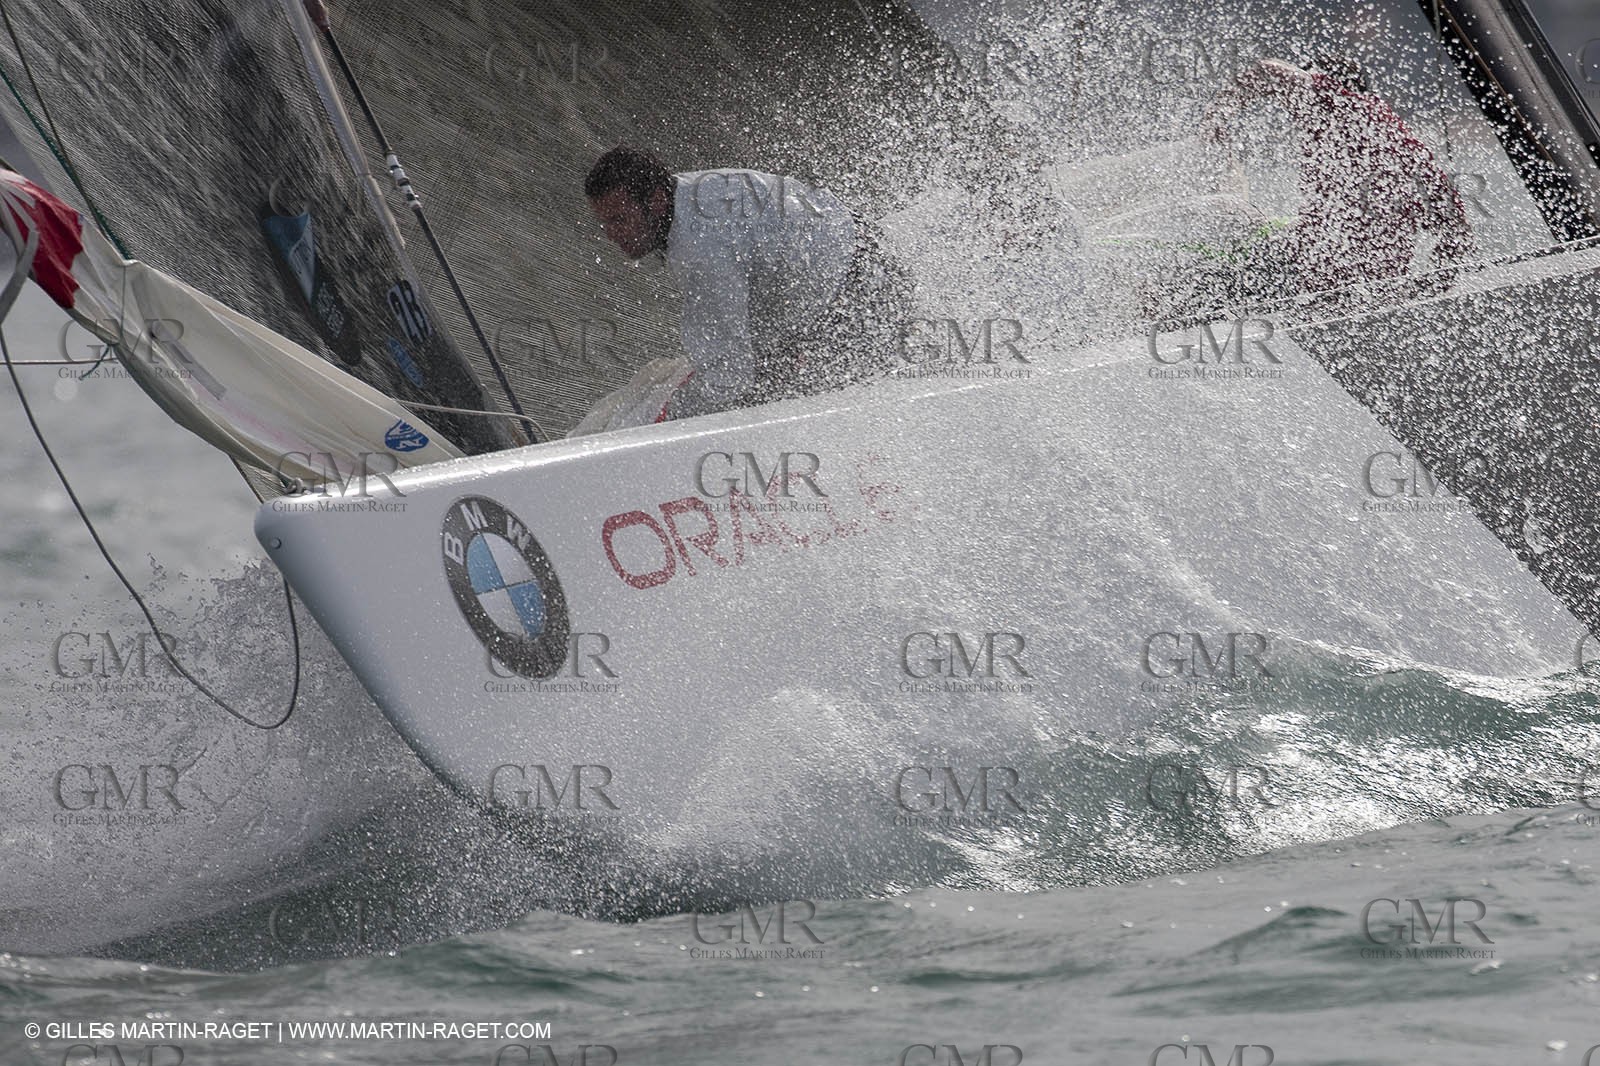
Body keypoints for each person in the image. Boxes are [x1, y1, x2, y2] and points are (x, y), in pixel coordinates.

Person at [584, 147, 911, 420]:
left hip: (861, 294)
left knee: (804, 409)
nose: (611, 235)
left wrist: (663, 420)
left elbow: (728, 378)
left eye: (619, 220)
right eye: (604, 223)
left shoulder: (701, 250)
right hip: (858, 246)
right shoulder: (686, 191)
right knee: (767, 375)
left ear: (655, 202)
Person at [1200, 56, 1475, 302]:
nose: (1291, 109)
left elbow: (1267, 70)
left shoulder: (1338, 103)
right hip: (1374, 293)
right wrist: (1420, 293)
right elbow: (1457, 233)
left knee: (1222, 212)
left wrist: (1216, 120)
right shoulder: (1407, 148)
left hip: (1303, 281)